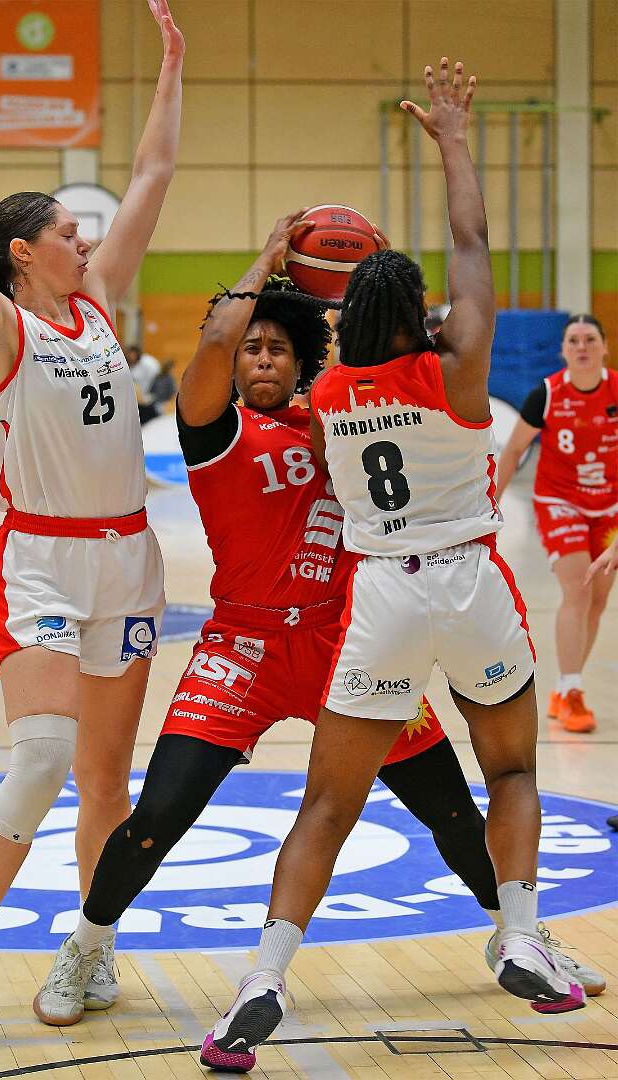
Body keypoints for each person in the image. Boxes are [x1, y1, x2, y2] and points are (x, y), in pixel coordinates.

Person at [32, 220, 603, 1029]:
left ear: (303, 360)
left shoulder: (337, 412)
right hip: (244, 650)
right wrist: (269, 262)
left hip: (351, 642)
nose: (261, 359)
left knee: (451, 812)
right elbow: (215, 343)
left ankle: (522, 937)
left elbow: (403, 383)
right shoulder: (213, 427)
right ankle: (87, 944)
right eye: (251, 350)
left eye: (277, 349)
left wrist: (367, 291)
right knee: (158, 816)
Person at [202, 57, 587, 1073]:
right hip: (471, 585)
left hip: (380, 599)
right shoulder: (458, 369)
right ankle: (520, 935)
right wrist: (454, 137)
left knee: (328, 804)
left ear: (344, 321)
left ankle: (264, 979)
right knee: (511, 768)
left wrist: (283, 265)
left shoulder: (328, 397)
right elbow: (473, 243)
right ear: (422, 311)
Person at [0, 0, 183, 1049]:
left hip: (130, 561)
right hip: (42, 560)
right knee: (41, 757)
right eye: (68, 232)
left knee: (108, 780)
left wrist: (170, 66)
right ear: (24, 253)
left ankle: (93, 946)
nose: (87, 238)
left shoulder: (101, 300)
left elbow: (154, 173)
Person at [496, 315, 617, 733]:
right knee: (579, 589)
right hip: (559, 502)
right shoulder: (546, 394)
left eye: (590, 339)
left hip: (609, 508)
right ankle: (572, 690)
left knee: (597, 601)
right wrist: (491, 506)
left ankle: (564, 689)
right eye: (573, 340)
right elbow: (513, 451)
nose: (582, 346)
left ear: (604, 347)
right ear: (562, 350)